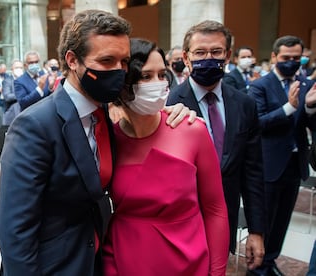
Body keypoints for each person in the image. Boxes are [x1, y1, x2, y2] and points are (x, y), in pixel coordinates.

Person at [0, 9, 194, 276]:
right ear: (73, 60)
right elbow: (15, 231)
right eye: (106, 61)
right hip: (53, 267)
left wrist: (176, 111)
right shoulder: (34, 125)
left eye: (123, 61)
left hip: (97, 258)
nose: (118, 71)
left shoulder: (105, 111)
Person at [102, 37, 229, 275]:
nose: (157, 84)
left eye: (162, 75)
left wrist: (217, 271)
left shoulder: (192, 130)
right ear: (123, 82)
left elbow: (215, 209)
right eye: (146, 76)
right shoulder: (109, 138)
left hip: (188, 258)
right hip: (125, 259)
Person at [166, 20, 266, 271]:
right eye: (200, 53)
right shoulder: (167, 103)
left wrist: (256, 230)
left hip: (225, 222)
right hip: (178, 226)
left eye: (216, 52)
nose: (208, 58)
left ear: (228, 55)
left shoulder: (244, 104)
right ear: (187, 58)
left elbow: (252, 171)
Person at [248, 35, 316, 276]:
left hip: (294, 164)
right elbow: (258, 123)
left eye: (297, 58)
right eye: (286, 58)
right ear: (275, 57)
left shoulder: (306, 84)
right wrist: (288, 107)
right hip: (269, 164)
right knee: (264, 221)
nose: (291, 62)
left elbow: (309, 123)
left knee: (282, 221)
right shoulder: (260, 85)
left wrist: (308, 106)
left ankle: (271, 260)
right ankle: (257, 266)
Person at [2, 59, 23, 127]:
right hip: (13, 113)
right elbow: (7, 97)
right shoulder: (7, 81)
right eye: (17, 68)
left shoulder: (25, 80)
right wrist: (22, 95)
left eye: (20, 67)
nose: (19, 69)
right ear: (12, 69)